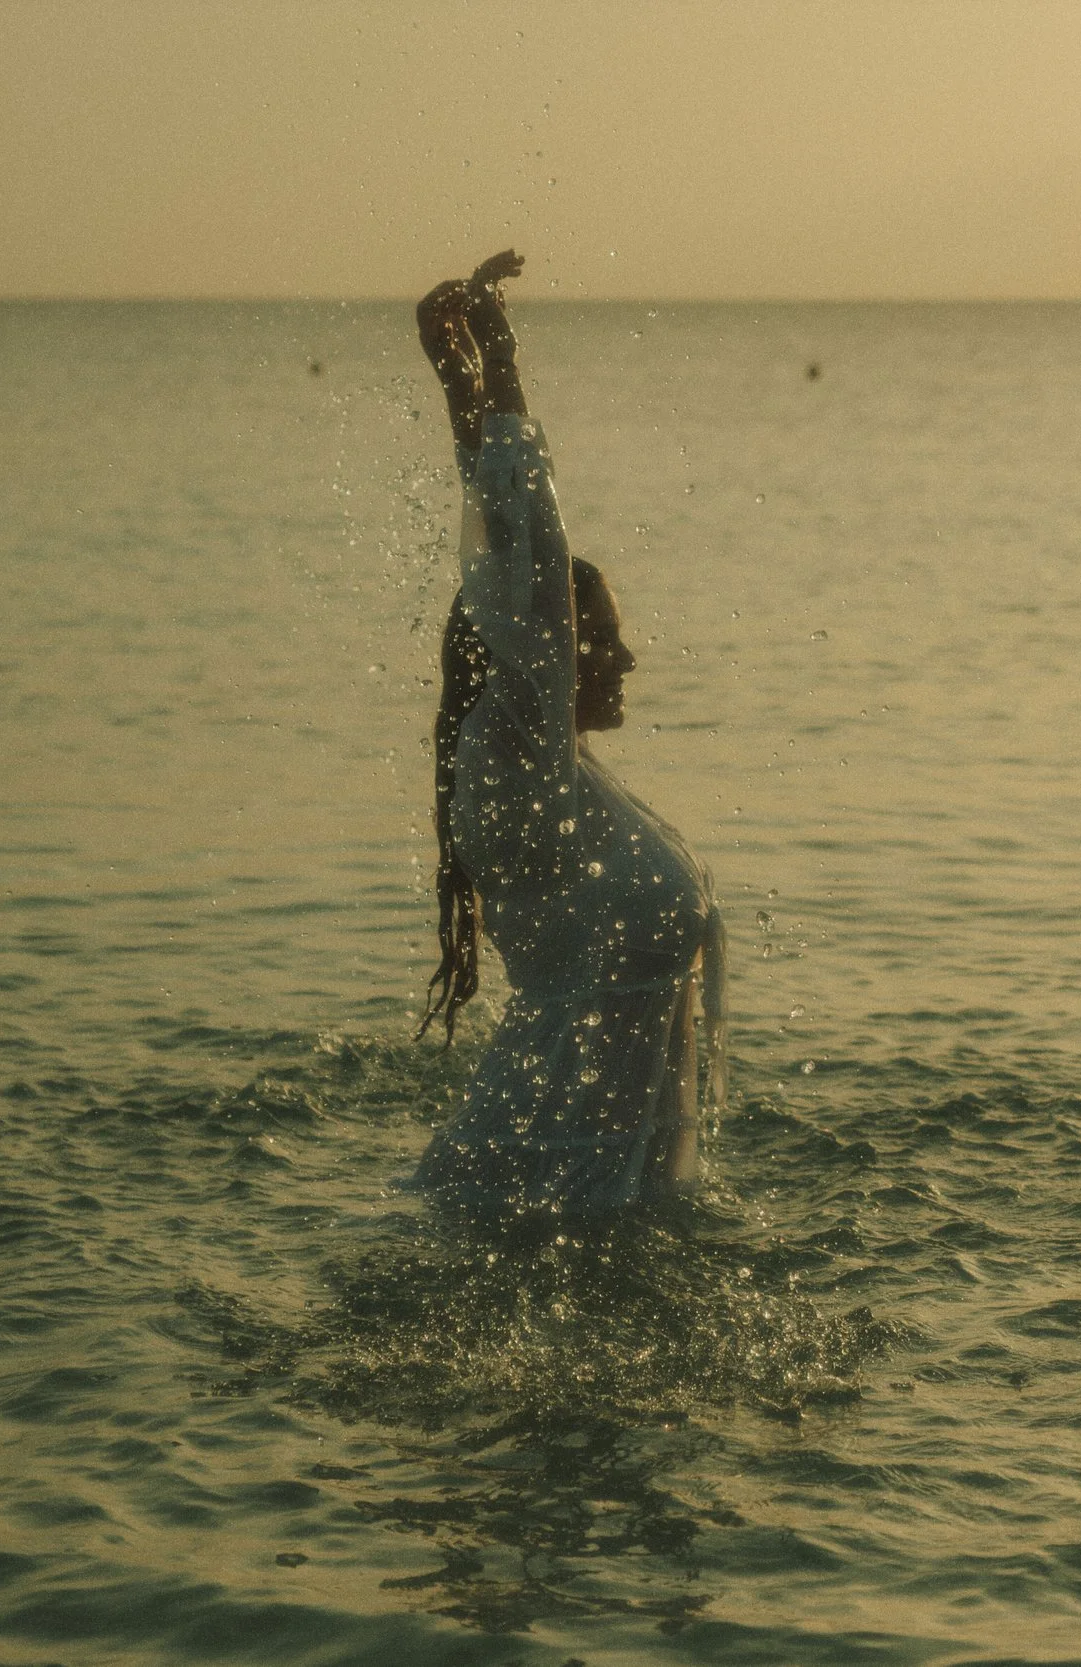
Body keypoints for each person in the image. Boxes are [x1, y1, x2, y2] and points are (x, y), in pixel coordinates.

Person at [407, 249, 725, 1222]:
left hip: (605, 1187)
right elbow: (527, 557)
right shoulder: (518, 753)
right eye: (605, 641)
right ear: (541, 649)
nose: (624, 659)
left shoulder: (564, 781)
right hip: (543, 1183)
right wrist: (489, 371)